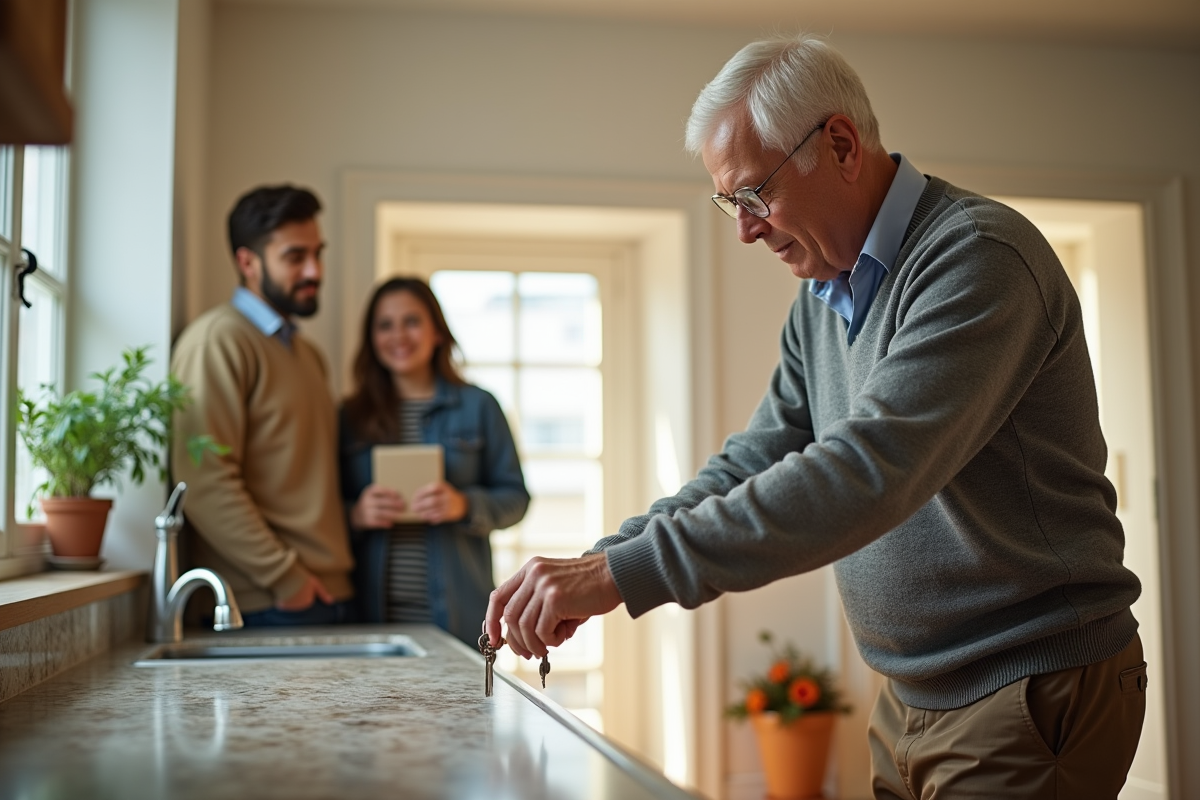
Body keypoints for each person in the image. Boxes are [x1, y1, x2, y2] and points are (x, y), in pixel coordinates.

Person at [485, 33, 1147, 798]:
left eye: (753, 193)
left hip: (1029, 685)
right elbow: (756, 458)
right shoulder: (823, 295)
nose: (743, 227)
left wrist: (622, 575)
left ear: (839, 144)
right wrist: (607, 556)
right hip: (911, 694)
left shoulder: (978, 258)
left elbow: (867, 472)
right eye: (730, 200)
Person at [171, 184, 355, 626]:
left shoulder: (307, 355)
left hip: (329, 594)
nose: (314, 270)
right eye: (295, 257)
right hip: (267, 601)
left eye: (318, 253)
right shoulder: (219, 341)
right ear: (247, 262)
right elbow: (203, 478)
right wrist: (284, 576)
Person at [339, 277, 529, 648]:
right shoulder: (350, 416)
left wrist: (464, 504)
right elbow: (321, 507)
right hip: (370, 618)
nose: (399, 335)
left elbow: (516, 499)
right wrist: (355, 515)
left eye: (412, 321)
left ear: (437, 332)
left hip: (459, 615)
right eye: (385, 325)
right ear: (371, 338)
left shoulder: (480, 406)